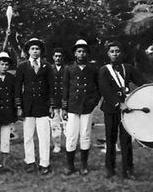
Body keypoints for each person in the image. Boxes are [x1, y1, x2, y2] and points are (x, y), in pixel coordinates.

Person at [98, 41, 147, 180]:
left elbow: (142, 81)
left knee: (126, 140)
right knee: (111, 138)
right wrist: (118, 104)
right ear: (108, 54)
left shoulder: (128, 68)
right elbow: (105, 90)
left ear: (121, 53)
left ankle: (128, 169)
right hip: (111, 109)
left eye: (117, 51)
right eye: (112, 51)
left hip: (127, 109)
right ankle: (110, 168)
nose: (115, 54)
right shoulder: (104, 70)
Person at [15, 38, 55, 176]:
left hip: (43, 106)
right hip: (28, 106)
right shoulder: (22, 66)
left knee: (44, 136)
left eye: (37, 49)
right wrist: (19, 106)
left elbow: (51, 87)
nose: (35, 51)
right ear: (28, 51)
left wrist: (51, 105)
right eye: (32, 49)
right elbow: (18, 87)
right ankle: (30, 161)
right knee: (28, 136)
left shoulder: (47, 66)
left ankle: (45, 163)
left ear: (41, 51)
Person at [62, 40, 101, 176]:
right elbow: (65, 88)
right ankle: (70, 165)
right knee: (71, 135)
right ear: (75, 53)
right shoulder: (69, 69)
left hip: (86, 107)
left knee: (85, 134)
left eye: (84, 51)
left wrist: (93, 102)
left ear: (87, 53)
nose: (81, 53)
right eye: (79, 51)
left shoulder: (93, 69)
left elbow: (98, 88)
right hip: (72, 106)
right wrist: (64, 107)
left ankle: (84, 164)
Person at [0, 52, 17, 172]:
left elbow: (15, 95)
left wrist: (15, 111)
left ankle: (4, 164)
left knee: (5, 139)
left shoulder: (12, 79)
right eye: (2, 64)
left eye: (6, 64)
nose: (4, 67)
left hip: (7, 113)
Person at [50, 48, 65, 154]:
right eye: (56, 56)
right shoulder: (49, 69)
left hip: (65, 102)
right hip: (54, 102)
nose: (58, 58)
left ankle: (69, 145)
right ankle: (57, 145)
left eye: (60, 56)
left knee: (67, 125)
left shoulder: (67, 69)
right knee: (55, 125)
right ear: (53, 57)